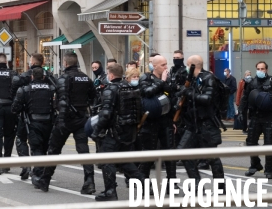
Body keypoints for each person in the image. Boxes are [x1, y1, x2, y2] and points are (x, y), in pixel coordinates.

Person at [32, 52, 96, 194]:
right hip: (81, 118)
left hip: (66, 120)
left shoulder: (64, 78)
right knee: (84, 150)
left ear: (66, 63)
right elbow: (94, 97)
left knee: (54, 150)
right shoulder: (86, 78)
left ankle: (45, 179)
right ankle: (89, 181)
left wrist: (61, 121)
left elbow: (61, 101)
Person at [91, 63, 144, 201]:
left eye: (108, 74)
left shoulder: (111, 90)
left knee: (107, 160)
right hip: (129, 130)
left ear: (111, 75)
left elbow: (106, 114)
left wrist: (96, 131)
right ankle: (144, 183)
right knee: (124, 161)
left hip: (115, 132)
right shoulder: (131, 88)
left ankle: (110, 191)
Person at [176, 55, 226, 186]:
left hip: (206, 124)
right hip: (193, 124)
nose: (186, 68)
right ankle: (197, 185)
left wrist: (188, 93)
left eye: (187, 65)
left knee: (212, 158)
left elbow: (207, 99)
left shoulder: (208, 78)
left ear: (193, 66)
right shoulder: (192, 79)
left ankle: (221, 189)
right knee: (184, 153)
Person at [239, 61, 272, 179]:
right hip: (255, 116)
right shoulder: (251, 82)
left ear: (267, 69)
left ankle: (269, 170)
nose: (260, 71)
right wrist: (241, 111)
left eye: (263, 68)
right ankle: (255, 165)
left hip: (269, 117)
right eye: (258, 68)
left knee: (269, 144)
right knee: (250, 142)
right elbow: (245, 98)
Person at [12, 53, 53, 180]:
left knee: (21, 139)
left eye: (30, 61)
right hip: (47, 118)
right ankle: (39, 168)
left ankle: (27, 166)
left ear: (33, 63)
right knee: (43, 144)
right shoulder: (50, 78)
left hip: (27, 116)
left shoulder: (24, 77)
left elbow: (14, 91)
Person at [138, 55, 176, 183]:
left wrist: (174, 120)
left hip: (166, 120)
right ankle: (143, 181)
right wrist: (162, 82)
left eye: (166, 64)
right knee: (149, 153)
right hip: (150, 120)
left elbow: (172, 97)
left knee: (169, 153)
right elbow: (146, 92)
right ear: (154, 66)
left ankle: (172, 182)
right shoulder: (146, 78)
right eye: (163, 65)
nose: (166, 67)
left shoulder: (169, 78)